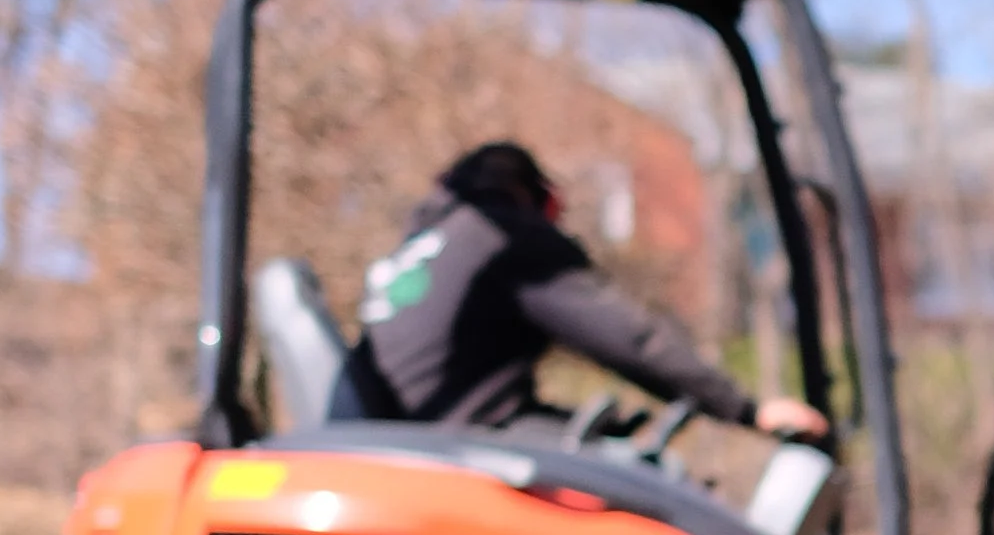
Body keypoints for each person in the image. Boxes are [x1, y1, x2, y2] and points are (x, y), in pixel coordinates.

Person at [332, 142, 830, 446]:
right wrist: (744, 408)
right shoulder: (501, 236)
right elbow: (630, 339)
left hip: (411, 445)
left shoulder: (422, 247)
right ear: (540, 200)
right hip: (458, 453)